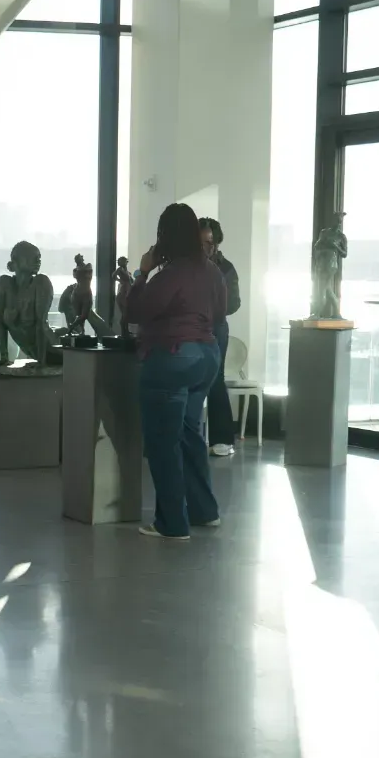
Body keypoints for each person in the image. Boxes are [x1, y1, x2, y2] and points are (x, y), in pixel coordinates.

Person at [126, 202, 226, 541]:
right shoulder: (212, 271)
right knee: (189, 435)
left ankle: (172, 523)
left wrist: (141, 273)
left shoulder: (170, 274)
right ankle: (204, 510)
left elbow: (137, 311)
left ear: (164, 235)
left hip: (172, 358)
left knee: (163, 443)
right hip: (207, 358)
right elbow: (220, 311)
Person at [198, 217, 243, 456]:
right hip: (191, 326)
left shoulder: (225, 268)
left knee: (215, 378)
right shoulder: (186, 266)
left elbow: (234, 303)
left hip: (215, 328)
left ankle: (222, 438)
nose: (206, 248)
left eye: (210, 243)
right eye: (202, 242)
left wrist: (212, 305)